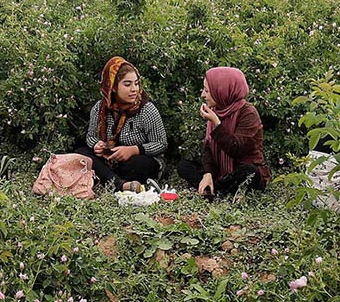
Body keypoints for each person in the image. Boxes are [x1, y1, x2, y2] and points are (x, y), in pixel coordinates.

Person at [74, 57, 167, 192]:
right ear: (112, 87)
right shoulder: (100, 108)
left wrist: (133, 150)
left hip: (136, 160)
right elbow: (90, 137)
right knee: (81, 154)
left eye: (136, 83)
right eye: (127, 84)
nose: (134, 89)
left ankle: (107, 179)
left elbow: (161, 144)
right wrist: (97, 145)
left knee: (139, 165)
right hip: (109, 160)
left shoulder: (146, 109)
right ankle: (121, 185)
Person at [177, 67, 271, 198]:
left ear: (221, 92)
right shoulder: (216, 109)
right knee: (184, 166)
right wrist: (207, 173)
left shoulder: (248, 113)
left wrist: (217, 123)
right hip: (220, 169)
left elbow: (235, 148)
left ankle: (215, 190)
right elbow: (208, 148)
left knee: (250, 172)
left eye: (207, 91)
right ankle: (213, 185)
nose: (203, 95)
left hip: (241, 167)